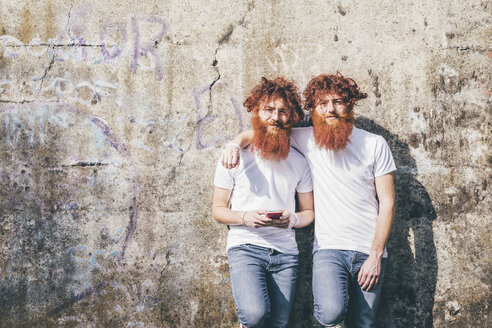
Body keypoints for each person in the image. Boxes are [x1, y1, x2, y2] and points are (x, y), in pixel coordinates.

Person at [221, 73, 396, 328]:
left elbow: (388, 204)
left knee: (364, 321)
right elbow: (266, 129)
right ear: (314, 108)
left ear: (350, 105)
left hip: (369, 248)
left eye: (338, 102)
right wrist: (235, 143)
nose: (330, 109)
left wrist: (376, 255)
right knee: (330, 313)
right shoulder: (307, 138)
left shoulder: (375, 144)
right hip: (329, 247)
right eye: (323, 103)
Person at [212, 77, 315, 328]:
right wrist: (245, 217)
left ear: (291, 117)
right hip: (246, 248)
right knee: (255, 316)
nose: (275, 117)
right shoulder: (234, 157)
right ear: (256, 112)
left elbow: (309, 212)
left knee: (279, 323)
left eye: (282, 111)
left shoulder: (300, 162)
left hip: (286, 254)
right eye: (268, 110)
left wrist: (292, 219)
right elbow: (218, 210)